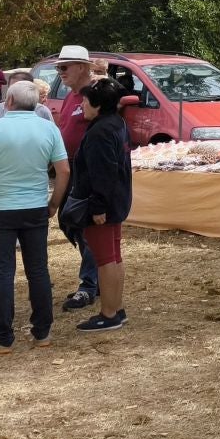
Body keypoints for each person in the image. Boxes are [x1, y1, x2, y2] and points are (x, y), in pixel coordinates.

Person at [0, 79, 70, 352]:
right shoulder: (48, 128)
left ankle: (3, 337)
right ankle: (42, 333)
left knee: (2, 273)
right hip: (35, 206)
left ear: (8, 102)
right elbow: (64, 171)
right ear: (36, 103)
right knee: (38, 270)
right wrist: (53, 203)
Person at [68, 78, 133, 333]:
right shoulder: (116, 123)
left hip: (103, 206)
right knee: (114, 256)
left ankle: (108, 314)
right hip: (116, 201)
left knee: (105, 259)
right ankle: (116, 308)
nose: (82, 104)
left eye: (85, 100)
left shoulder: (100, 131)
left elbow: (102, 173)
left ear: (97, 104)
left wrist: (97, 208)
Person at [51, 46, 101, 312]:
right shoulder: (72, 96)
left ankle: (89, 284)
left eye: (64, 67)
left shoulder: (95, 94)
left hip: (86, 170)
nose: (60, 73)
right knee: (68, 221)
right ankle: (96, 274)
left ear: (82, 67)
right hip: (69, 167)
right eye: (59, 68)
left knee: (83, 225)